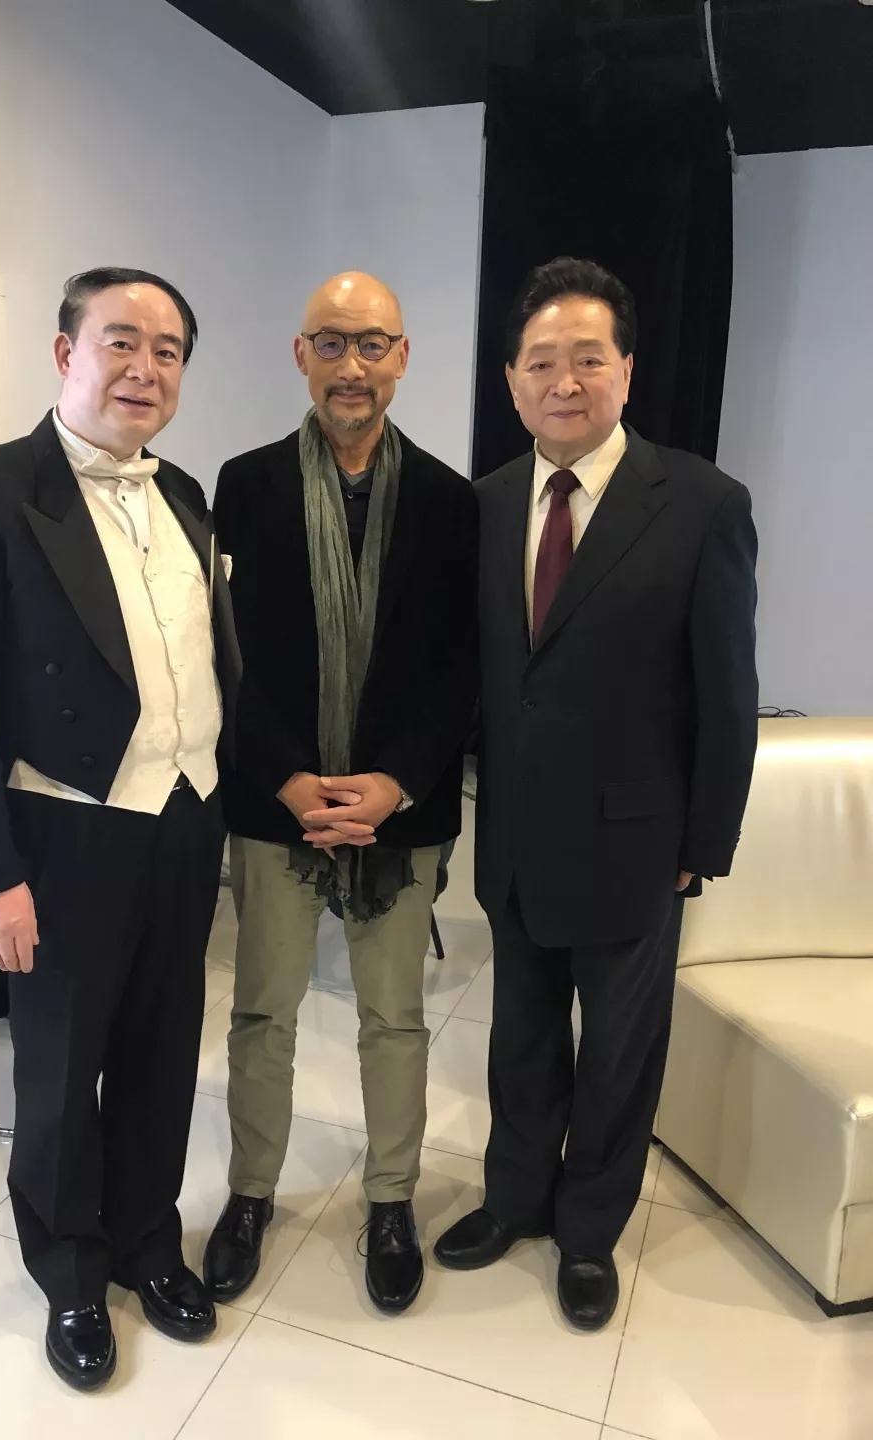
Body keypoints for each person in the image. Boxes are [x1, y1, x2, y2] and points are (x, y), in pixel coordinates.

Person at [0, 267, 238, 1389]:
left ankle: (147, 1242)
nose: (146, 368)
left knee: (162, 1049)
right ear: (65, 353)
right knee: (60, 1070)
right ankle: (71, 1270)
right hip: (60, 836)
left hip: (185, 820)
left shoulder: (183, 491)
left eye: (169, 351)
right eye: (120, 341)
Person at [435, 256, 758, 1331]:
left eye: (587, 359)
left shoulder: (702, 504)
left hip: (638, 844)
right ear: (511, 380)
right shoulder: (484, 506)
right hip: (516, 841)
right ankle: (514, 1200)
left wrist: (704, 845)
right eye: (541, 363)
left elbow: (728, 693)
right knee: (521, 1037)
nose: (563, 382)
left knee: (620, 1056)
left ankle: (586, 1233)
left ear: (626, 369)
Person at [203, 272, 477, 1315]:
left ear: (402, 356)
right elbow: (224, 657)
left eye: (371, 344)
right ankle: (250, 1194)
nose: (351, 366)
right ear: (300, 355)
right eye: (330, 342)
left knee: (393, 1018)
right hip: (276, 799)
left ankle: (392, 1201)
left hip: (397, 811)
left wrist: (394, 784)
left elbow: (461, 668)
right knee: (262, 1010)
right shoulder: (244, 485)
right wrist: (287, 778)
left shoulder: (450, 501)